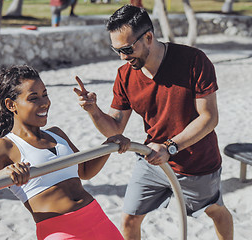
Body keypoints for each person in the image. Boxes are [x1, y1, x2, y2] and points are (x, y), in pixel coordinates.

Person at [73, 4, 234, 240]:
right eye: (116, 50)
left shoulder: (194, 61)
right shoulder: (125, 75)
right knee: (129, 219)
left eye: (127, 49)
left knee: (215, 210)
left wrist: (170, 147)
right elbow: (115, 128)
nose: (123, 57)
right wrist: (93, 110)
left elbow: (209, 118)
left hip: (196, 163)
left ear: (148, 37)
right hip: (152, 159)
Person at [0, 65, 129, 240]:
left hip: (98, 220)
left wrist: (109, 145)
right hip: (60, 231)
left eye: (45, 94)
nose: (44, 103)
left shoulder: (56, 133)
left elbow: (85, 171)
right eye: (33, 98)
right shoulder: (3, 147)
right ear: (11, 105)